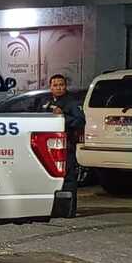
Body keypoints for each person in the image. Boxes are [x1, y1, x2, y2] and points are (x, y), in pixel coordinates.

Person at [47, 74, 85, 217]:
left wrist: (63, 116)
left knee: (68, 178)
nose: (58, 88)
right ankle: (54, 209)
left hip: (66, 145)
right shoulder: (48, 102)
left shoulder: (72, 103)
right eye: (55, 85)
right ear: (50, 87)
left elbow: (80, 121)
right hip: (49, 146)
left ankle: (69, 211)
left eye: (61, 85)